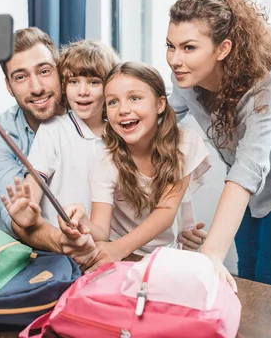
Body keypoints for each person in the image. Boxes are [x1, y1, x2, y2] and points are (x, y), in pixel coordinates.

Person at [166, 0, 271, 291]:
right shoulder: (187, 79)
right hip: (244, 171)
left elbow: (248, 167)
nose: (175, 60)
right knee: (247, 267)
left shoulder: (267, 83)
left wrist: (212, 254)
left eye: (188, 47)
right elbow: (161, 119)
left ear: (223, 48)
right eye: (170, 46)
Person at [54, 62, 212, 272]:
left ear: (160, 104)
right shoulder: (104, 159)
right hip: (124, 259)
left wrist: (116, 249)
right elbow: (101, 230)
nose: (123, 110)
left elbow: (166, 211)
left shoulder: (184, 142)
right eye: (112, 102)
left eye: (134, 98)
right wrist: (84, 222)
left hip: (165, 256)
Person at [0, 27, 95, 266]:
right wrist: (66, 242)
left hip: (87, 249)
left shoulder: (88, 113)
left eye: (44, 71)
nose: (37, 87)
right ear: (9, 86)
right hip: (18, 260)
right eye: (20, 77)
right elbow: (19, 221)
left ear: (60, 71)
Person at [0, 40, 119, 231]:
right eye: (73, 82)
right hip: (61, 240)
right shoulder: (53, 130)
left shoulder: (118, 132)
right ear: (64, 85)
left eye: (94, 82)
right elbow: (35, 179)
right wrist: (27, 206)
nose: (83, 92)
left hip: (103, 240)